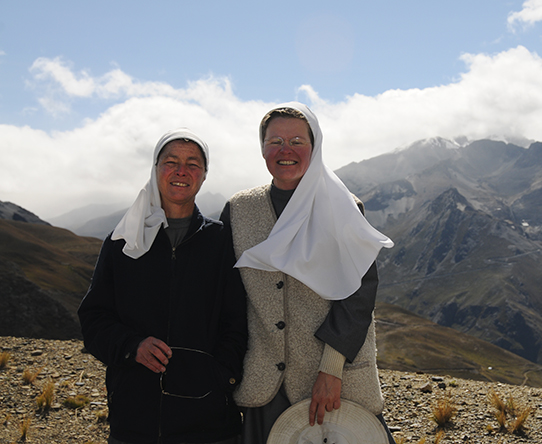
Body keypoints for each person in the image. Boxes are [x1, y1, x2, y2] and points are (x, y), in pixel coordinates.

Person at [220, 102, 395, 443]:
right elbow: (229, 296)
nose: (286, 151)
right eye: (275, 142)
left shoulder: (342, 205)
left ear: (314, 147)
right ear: (262, 148)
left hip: (332, 382)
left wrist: (331, 368)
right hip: (266, 384)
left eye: (297, 141)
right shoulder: (239, 210)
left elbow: (358, 296)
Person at [78, 128, 247, 444]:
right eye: (171, 161)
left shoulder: (222, 240)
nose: (182, 171)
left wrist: (219, 377)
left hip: (210, 424)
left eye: (193, 163)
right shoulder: (123, 241)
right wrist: (132, 347)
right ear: (155, 170)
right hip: (135, 421)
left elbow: (238, 321)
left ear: (205, 175)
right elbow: (93, 320)